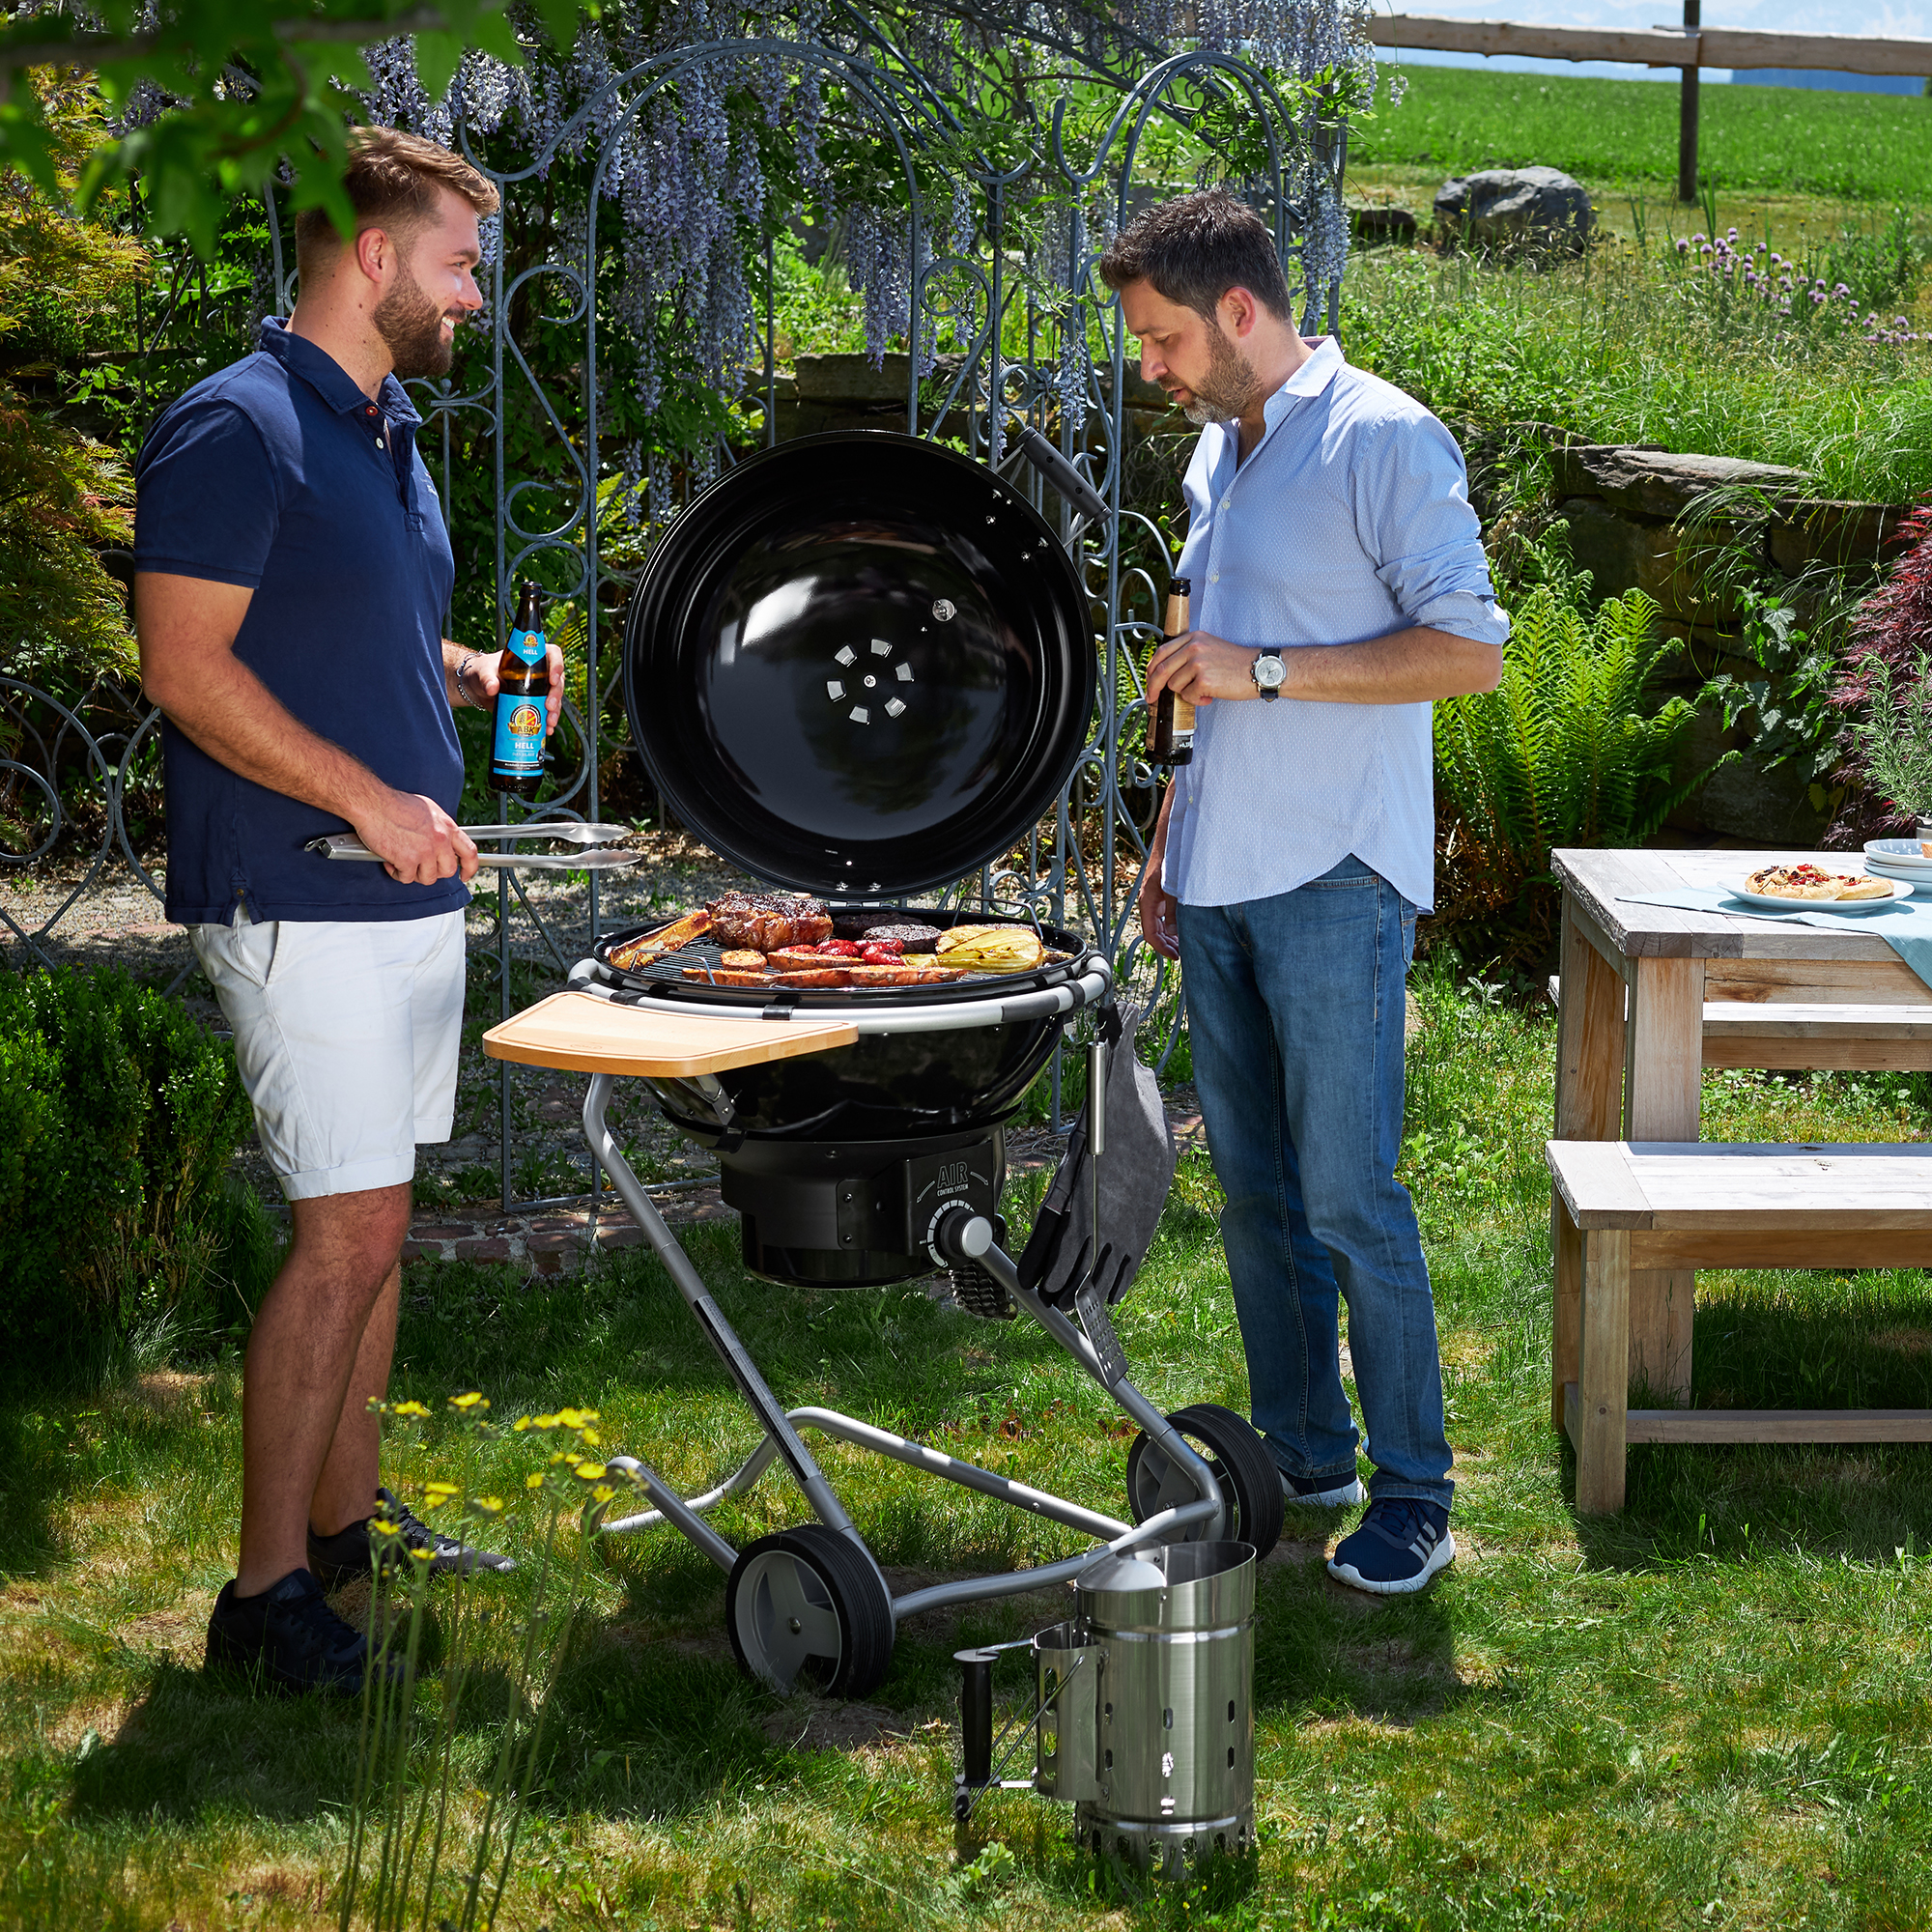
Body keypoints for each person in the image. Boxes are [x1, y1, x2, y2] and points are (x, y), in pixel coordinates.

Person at [134, 128, 561, 1691]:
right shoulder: (239, 427)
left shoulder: (381, 433)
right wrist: (369, 802)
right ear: (371, 259)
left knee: (377, 1233)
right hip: (298, 889)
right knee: (346, 1234)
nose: (472, 296)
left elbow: (338, 634)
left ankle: (344, 1534)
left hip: (393, 894)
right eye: (458, 264)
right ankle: (263, 1600)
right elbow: (184, 668)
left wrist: (472, 679)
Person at [1099, 188, 1509, 1596]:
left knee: (1351, 1197)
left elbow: (1468, 652)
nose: (1150, 368)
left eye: (1161, 340)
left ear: (1239, 311)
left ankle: (1415, 1493)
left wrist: (1262, 670)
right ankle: (1307, 1450)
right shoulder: (1226, 454)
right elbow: (1200, 678)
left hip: (1335, 869)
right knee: (1259, 1196)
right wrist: (1169, 846)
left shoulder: (1381, 436)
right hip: (1220, 870)